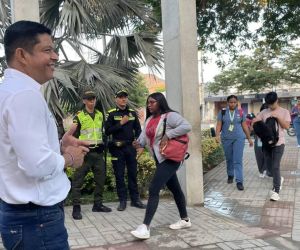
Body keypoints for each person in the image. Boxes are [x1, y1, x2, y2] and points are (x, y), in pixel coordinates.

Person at [0, 20, 89, 249]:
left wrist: (58, 145)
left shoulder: (8, 92)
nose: (56, 56)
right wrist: (70, 158)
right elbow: (36, 164)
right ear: (22, 55)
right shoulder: (23, 96)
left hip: (25, 218)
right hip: (37, 221)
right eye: (47, 50)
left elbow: (15, 150)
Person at [130, 92, 192, 239]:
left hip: (171, 158)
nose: (149, 105)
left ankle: (145, 227)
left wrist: (168, 135)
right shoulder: (150, 119)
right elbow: (144, 139)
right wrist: (137, 143)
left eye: (152, 102)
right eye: (148, 103)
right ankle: (185, 219)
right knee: (175, 189)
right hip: (160, 159)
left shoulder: (170, 116)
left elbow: (186, 126)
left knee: (153, 188)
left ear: (160, 102)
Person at [70, 90, 112, 220]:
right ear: (84, 101)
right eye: (89, 99)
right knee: (78, 181)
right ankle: (76, 208)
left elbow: (102, 132)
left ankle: (98, 205)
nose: (92, 101)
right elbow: (73, 136)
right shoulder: (79, 116)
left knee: (100, 180)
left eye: (93, 99)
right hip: (84, 153)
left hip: (98, 153)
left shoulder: (100, 114)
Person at [105, 90, 146, 211]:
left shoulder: (132, 113)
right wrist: (121, 123)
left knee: (133, 174)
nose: (123, 99)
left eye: (125, 97)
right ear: (116, 99)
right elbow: (107, 131)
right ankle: (122, 201)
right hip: (117, 148)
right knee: (119, 175)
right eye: (121, 97)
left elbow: (138, 130)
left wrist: (139, 143)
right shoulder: (111, 114)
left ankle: (135, 200)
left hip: (130, 147)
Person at [253, 92, 290, 201]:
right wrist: (257, 124)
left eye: (272, 104)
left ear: (277, 100)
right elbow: (255, 122)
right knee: (269, 169)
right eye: (268, 104)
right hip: (266, 144)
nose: (270, 107)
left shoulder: (284, 112)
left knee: (275, 165)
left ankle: (276, 191)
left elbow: (287, 126)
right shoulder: (264, 112)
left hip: (279, 143)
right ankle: (279, 178)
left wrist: (278, 117)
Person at [215, 95, 253, 191]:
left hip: (239, 139)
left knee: (238, 160)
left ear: (237, 103)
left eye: (234, 102)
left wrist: (249, 138)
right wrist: (217, 136)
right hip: (226, 139)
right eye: (231, 102)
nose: (232, 104)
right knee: (229, 159)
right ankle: (230, 175)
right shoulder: (222, 112)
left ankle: (239, 181)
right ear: (228, 103)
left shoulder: (240, 112)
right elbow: (219, 124)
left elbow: (244, 126)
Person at [254, 103, 269, 178]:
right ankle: (261, 170)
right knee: (259, 156)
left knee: (267, 155)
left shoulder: (271, 117)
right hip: (259, 139)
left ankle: (266, 169)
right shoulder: (257, 117)